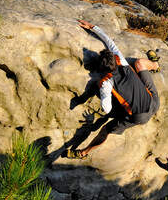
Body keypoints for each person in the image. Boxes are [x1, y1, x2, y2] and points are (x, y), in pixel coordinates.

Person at [65, 20, 160, 159]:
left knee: (105, 129)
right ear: (114, 60)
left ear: (102, 69)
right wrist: (93, 27)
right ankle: (155, 65)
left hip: (140, 116)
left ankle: (83, 153)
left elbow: (107, 109)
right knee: (139, 63)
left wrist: (102, 100)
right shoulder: (122, 61)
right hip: (154, 101)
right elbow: (110, 42)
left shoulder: (106, 83)